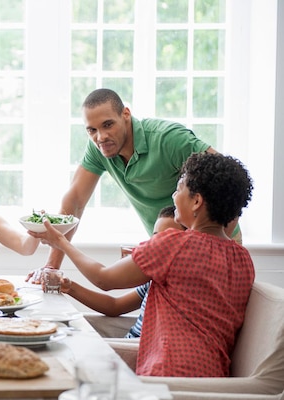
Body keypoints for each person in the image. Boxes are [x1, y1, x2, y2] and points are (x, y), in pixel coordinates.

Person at [31, 152, 254, 377]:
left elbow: (104, 279)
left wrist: (60, 241)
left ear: (196, 201)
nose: (174, 196)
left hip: (168, 371)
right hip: (213, 375)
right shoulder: (243, 259)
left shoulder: (174, 244)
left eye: (178, 189)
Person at [33, 88, 241, 279]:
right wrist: (52, 266)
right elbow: (75, 201)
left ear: (126, 114)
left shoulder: (169, 140)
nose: (101, 137)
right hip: (167, 248)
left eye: (108, 125)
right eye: (91, 130)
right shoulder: (98, 148)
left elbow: (230, 182)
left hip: (217, 245)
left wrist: (215, 247)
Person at [67, 206, 186, 340]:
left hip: (138, 350)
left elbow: (103, 280)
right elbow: (114, 306)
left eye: (167, 239)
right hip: (127, 340)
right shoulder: (152, 280)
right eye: (156, 238)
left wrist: (61, 242)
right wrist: (69, 287)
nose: (158, 245)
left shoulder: (179, 284)